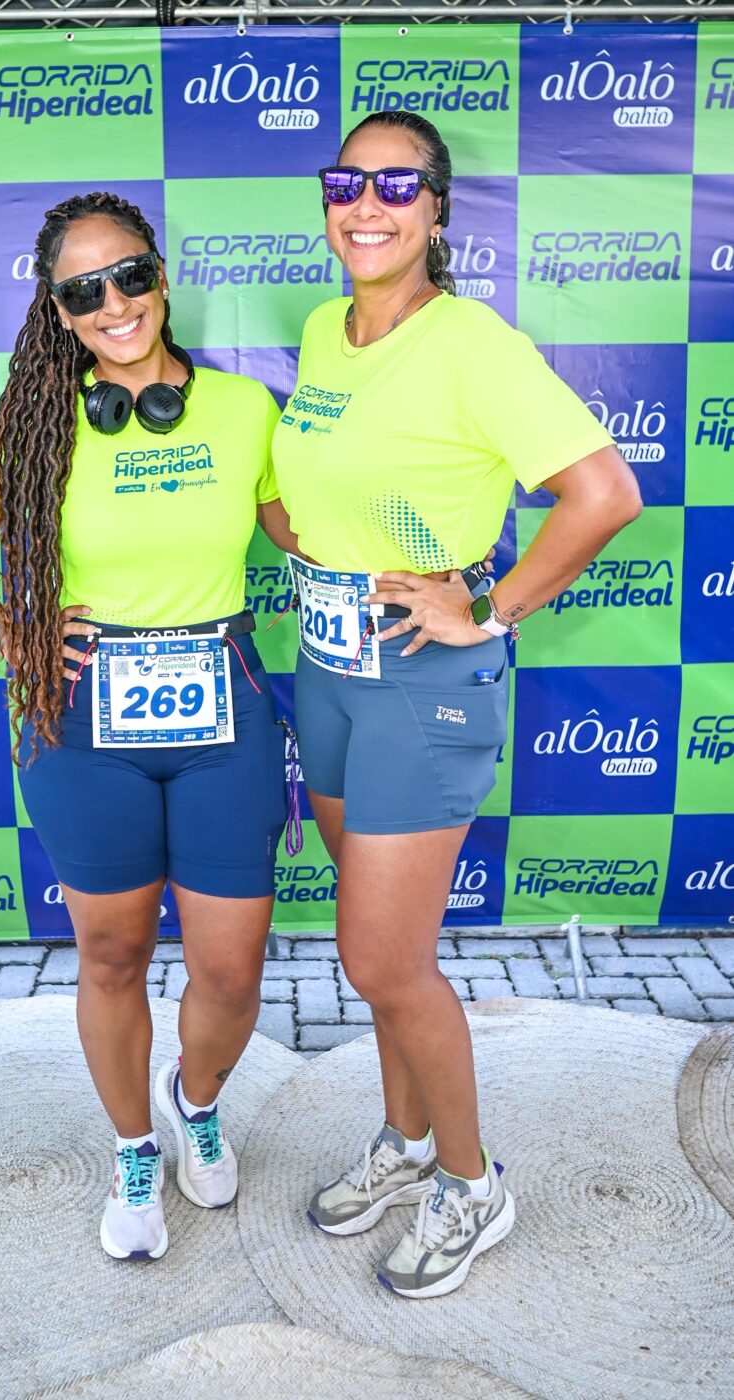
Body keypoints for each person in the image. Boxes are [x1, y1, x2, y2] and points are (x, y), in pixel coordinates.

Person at [271, 112, 642, 1299]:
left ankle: (471, 1181)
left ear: (435, 211)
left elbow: (601, 492)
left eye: (395, 184)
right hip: (328, 667)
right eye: (345, 181)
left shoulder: (471, 341)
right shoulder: (326, 331)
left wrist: (485, 604)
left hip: (420, 685)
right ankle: (406, 1138)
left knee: (381, 958)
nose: (363, 203)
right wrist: (302, 542)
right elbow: (314, 487)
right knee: (382, 955)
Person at [0, 191, 301, 1262]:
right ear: (58, 310)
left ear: (160, 275)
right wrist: (21, 634)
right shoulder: (35, 428)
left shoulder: (242, 412)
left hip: (222, 712)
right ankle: (134, 1144)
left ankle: (195, 1098)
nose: (114, 302)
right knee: (113, 952)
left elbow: (305, 535)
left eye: (129, 274)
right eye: (83, 290)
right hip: (81, 723)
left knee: (228, 973)